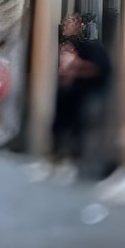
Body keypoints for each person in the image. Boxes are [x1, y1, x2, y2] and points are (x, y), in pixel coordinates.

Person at [49, 13, 111, 178]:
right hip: (67, 95)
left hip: (86, 95)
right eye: (65, 22)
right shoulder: (61, 45)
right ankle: (58, 158)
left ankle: (76, 162)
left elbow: (98, 69)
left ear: (80, 25)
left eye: (70, 22)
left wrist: (74, 68)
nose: (66, 25)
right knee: (59, 126)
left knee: (80, 128)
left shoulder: (91, 47)